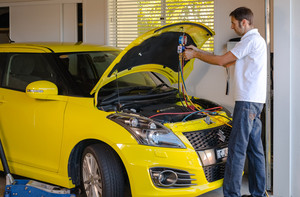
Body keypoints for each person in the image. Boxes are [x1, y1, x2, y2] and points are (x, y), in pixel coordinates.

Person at [183, 7, 267, 197]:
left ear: (243, 22)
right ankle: (258, 194)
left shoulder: (251, 40)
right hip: (254, 103)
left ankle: (231, 194)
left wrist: (195, 55)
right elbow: (228, 61)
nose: (231, 26)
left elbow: (222, 61)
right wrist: (199, 50)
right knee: (255, 151)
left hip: (246, 103)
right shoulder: (253, 40)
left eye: (233, 23)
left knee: (237, 150)